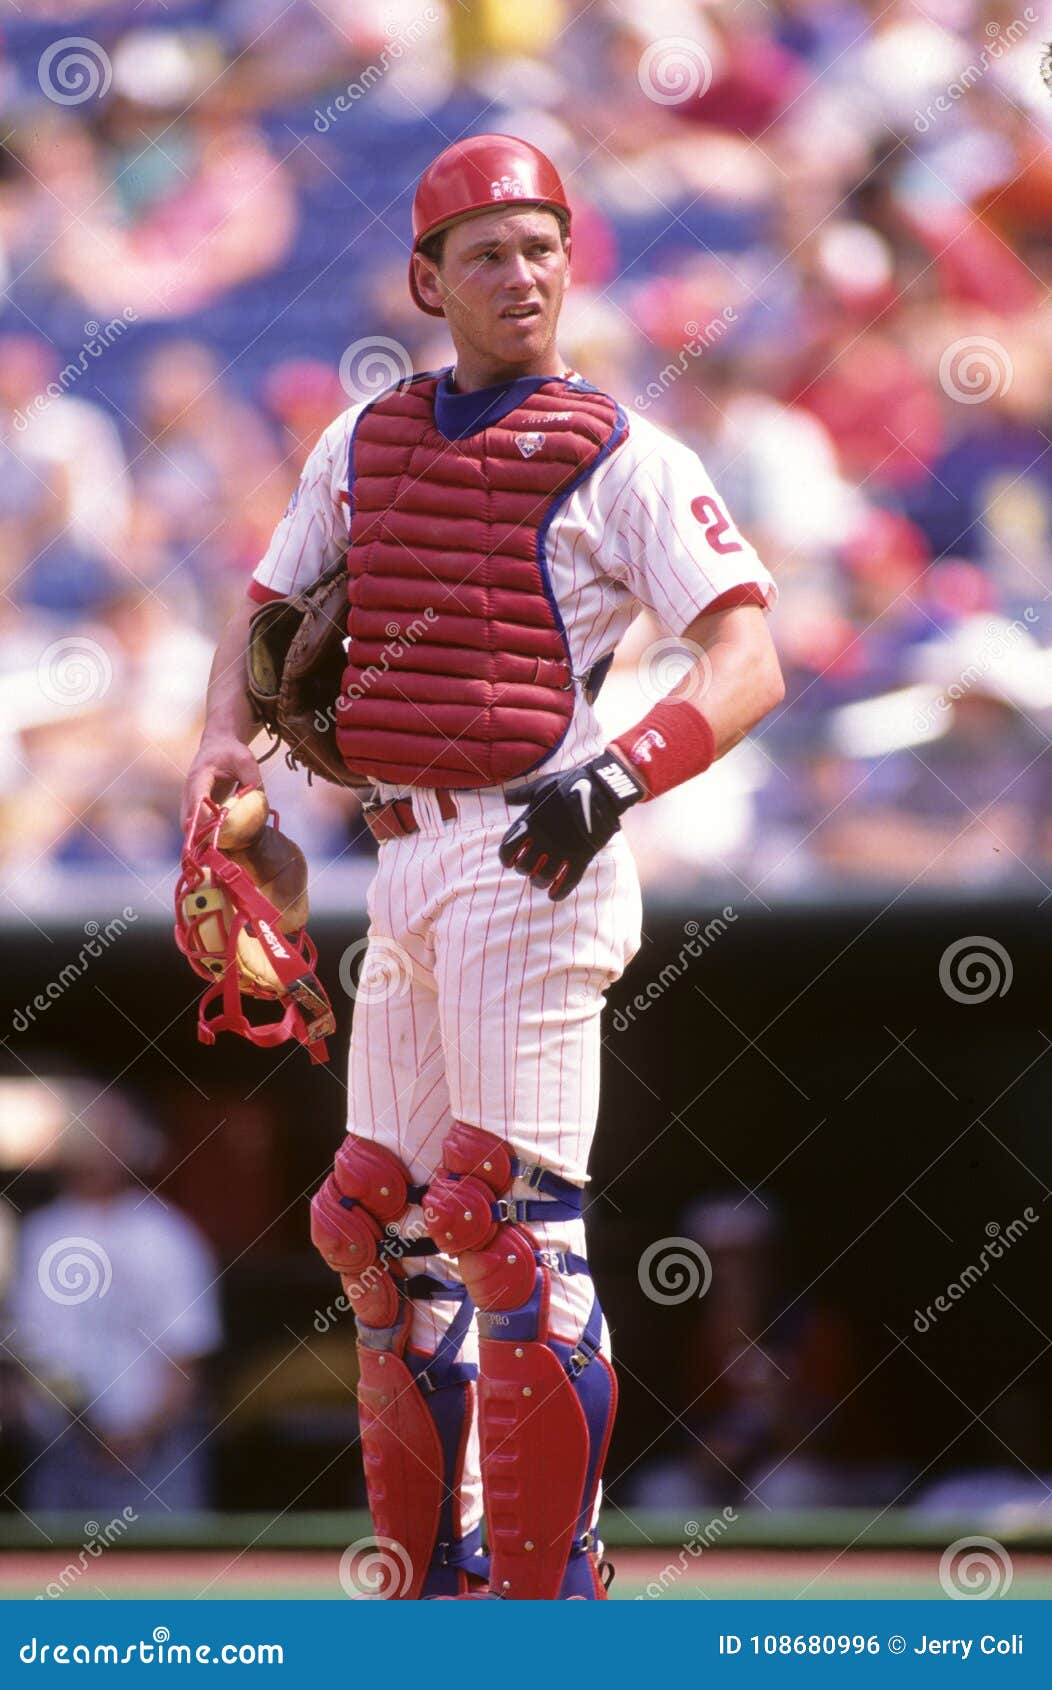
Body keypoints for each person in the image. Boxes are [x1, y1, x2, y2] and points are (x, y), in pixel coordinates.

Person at [182, 134, 783, 1599]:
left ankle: (546, 1605)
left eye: (542, 247)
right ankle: (429, 1594)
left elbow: (750, 655)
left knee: (500, 1225)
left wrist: (622, 773)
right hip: (402, 856)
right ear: (425, 279)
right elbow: (267, 620)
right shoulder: (361, 441)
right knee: (366, 1223)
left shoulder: (623, 451)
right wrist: (221, 751)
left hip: (537, 840)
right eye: (489, 252)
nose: (522, 273)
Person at [9, 1089, 221, 1515]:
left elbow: (186, 1355)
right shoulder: (39, 1235)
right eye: (86, 1135)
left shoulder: (167, 1236)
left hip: (154, 1458)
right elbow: (26, 1349)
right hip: (59, 1453)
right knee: (54, 1575)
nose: (97, 1150)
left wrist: (138, 1435)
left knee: (165, 1575)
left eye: (109, 1135)